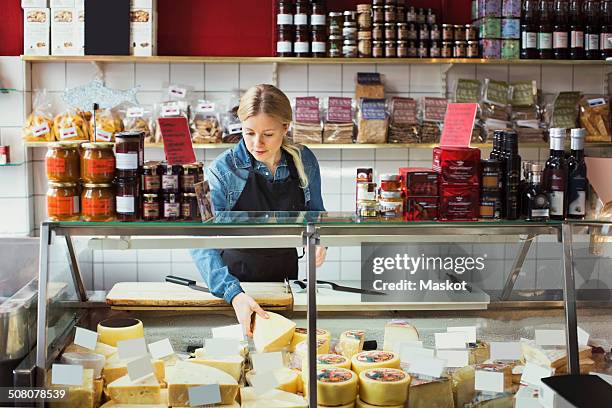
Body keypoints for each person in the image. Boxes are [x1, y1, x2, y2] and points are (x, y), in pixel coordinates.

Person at [191, 84, 326, 336]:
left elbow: (316, 212)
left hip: (285, 278)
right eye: (249, 132)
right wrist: (233, 293)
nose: (257, 143)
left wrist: (318, 241)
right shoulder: (222, 170)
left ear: (285, 128)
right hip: (236, 281)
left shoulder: (304, 160)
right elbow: (199, 237)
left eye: (268, 134)